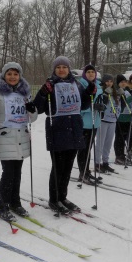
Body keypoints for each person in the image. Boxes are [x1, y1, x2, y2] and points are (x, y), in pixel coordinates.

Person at [33, 56, 94, 214]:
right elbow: (38, 108)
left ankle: (63, 197)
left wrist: (88, 93)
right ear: (54, 69)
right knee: (58, 167)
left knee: (67, 167)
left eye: (64, 67)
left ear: (69, 69)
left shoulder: (77, 84)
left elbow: (84, 105)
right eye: (58, 67)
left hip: (74, 129)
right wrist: (42, 93)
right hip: (57, 130)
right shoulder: (50, 85)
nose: (61, 69)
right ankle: (54, 199)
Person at [0, 62, 38, 222]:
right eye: (9, 74)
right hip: (5, 138)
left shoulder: (24, 94)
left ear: (19, 76)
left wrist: (32, 108)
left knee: (17, 173)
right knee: (8, 173)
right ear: (4, 76)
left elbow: (33, 118)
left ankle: (15, 202)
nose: (13, 77)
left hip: (21, 137)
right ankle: (2, 206)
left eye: (15, 74)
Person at [77, 64, 105, 185]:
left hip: (95, 121)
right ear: (84, 74)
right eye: (88, 72)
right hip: (84, 122)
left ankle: (87, 171)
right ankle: (82, 173)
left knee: (89, 149)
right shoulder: (80, 85)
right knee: (83, 150)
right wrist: (91, 108)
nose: (90, 74)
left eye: (92, 72)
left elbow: (100, 101)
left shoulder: (98, 85)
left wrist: (102, 106)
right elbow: (79, 106)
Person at [95, 74, 120, 173]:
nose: (109, 83)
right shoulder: (101, 92)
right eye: (107, 81)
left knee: (108, 143)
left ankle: (105, 162)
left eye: (111, 81)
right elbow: (100, 104)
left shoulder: (115, 93)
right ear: (104, 82)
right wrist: (104, 95)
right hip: (103, 120)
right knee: (100, 143)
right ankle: (97, 163)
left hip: (112, 120)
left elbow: (118, 106)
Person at [114, 74, 132, 165]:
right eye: (121, 82)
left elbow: (130, 103)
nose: (123, 83)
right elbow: (120, 103)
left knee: (125, 137)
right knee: (119, 138)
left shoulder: (127, 91)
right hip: (120, 117)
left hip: (127, 117)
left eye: (125, 82)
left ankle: (122, 154)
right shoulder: (117, 91)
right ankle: (118, 156)